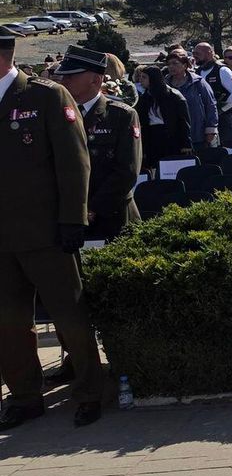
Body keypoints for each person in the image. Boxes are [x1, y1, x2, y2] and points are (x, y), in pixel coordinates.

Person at [0, 33, 107, 430]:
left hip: (45, 231)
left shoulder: (45, 96)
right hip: (2, 239)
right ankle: (25, 397)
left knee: (69, 315)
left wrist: (72, 219)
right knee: (9, 323)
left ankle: (90, 391)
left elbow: (74, 162)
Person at [56, 46, 141, 242]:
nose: (64, 80)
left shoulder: (121, 116)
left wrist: (93, 208)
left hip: (112, 217)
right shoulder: (58, 114)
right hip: (69, 217)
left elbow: (127, 171)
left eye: (71, 76)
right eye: (63, 75)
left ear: (96, 79)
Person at [135, 65, 192, 172]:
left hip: (171, 136)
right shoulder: (144, 98)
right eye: (140, 77)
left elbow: (183, 121)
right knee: (155, 168)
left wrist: (186, 143)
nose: (140, 80)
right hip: (152, 137)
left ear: (153, 78)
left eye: (144, 77)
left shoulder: (173, 96)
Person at [165, 52, 217, 149]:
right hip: (173, 136)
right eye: (169, 64)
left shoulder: (198, 83)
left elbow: (210, 105)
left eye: (175, 63)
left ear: (185, 65)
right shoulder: (165, 85)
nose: (171, 66)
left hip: (197, 134)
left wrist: (211, 129)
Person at [193, 42, 232, 144]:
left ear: (209, 53)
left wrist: (220, 109)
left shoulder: (222, 70)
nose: (195, 56)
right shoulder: (198, 72)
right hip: (204, 120)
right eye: (194, 53)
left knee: (227, 147)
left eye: (198, 53)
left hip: (223, 119)